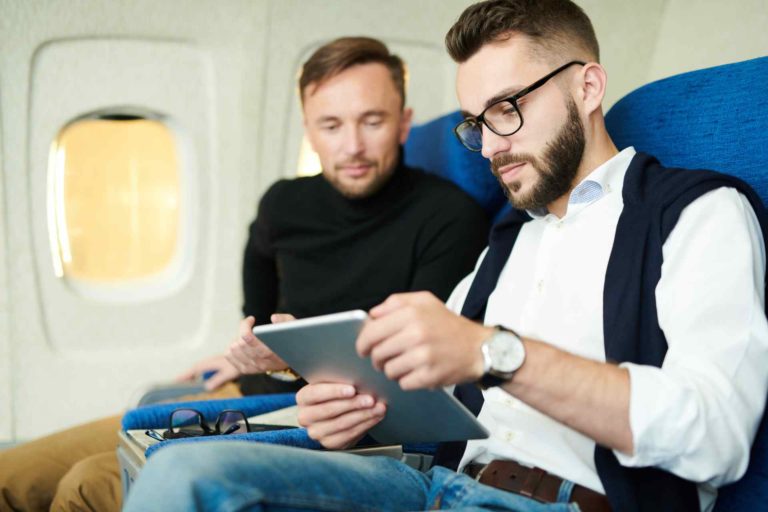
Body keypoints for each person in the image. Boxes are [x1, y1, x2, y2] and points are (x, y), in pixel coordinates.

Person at [123, 1, 768, 511]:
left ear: (588, 86)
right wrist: (323, 383)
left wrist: (495, 353)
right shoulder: (512, 241)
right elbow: (420, 378)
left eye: (507, 110)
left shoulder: (696, 214)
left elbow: (715, 436)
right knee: (183, 473)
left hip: (572, 503)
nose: (489, 147)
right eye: (475, 123)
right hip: (434, 488)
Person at [0, 37, 488, 512]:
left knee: (85, 485)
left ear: (404, 124)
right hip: (247, 395)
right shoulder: (283, 203)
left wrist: (286, 363)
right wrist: (246, 353)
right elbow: (257, 296)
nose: (353, 146)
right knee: (10, 475)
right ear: (308, 130)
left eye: (373, 121)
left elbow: (401, 370)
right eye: (332, 125)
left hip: (336, 422)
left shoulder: (449, 216)